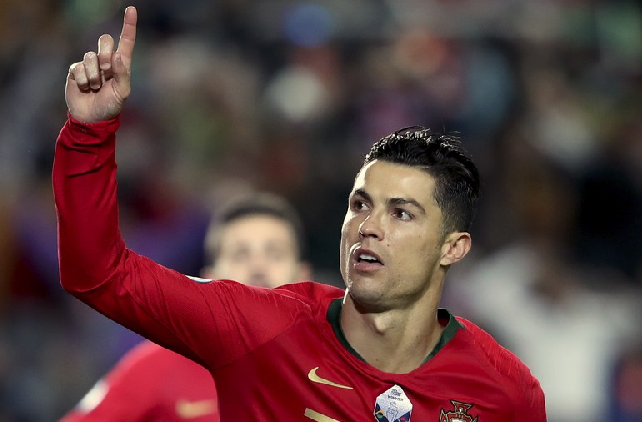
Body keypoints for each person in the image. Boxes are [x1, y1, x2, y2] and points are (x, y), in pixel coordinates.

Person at [53, 6, 546, 421]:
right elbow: (99, 274)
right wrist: (89, 133)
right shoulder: (261, 331)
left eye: (401, 214)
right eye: (361, 205)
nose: (369, 227)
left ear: (452, 248)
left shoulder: (506, 392)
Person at [60, 192, 311, 421]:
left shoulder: (332, 369)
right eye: (240, 255)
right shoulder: (159, 367)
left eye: (275, 254)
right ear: (210, 280)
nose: (258, 268)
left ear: (304, 278)